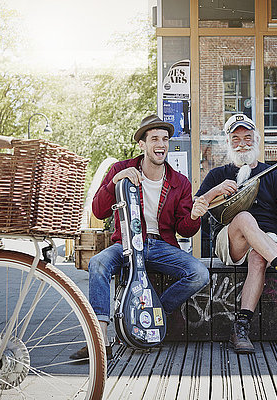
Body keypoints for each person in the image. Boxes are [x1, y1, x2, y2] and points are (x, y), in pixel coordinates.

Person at [70, 114, 210, 361]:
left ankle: (155, 312)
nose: (161, 144)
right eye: (154, 138)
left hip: (161, 246)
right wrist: (115, 182)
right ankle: (99, 341)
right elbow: (98, 210)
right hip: (125, 243)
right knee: (98, 263)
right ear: (142, 144)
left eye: (165, 139)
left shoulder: (180, 182)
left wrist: (196, 216)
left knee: (200, 273)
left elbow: (184, 229)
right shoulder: (121, 170)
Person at [193, 114, 277, 354]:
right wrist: (215, 190)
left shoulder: (273, 172)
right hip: (232, 240)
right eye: (235, 139)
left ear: (256, 139)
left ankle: (241, 325)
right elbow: (194, 208)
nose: (242, 143)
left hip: (266, 240)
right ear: (228, 143)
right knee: (245, 218)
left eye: (247, 137)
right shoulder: (218, 174)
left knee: (258, 257)